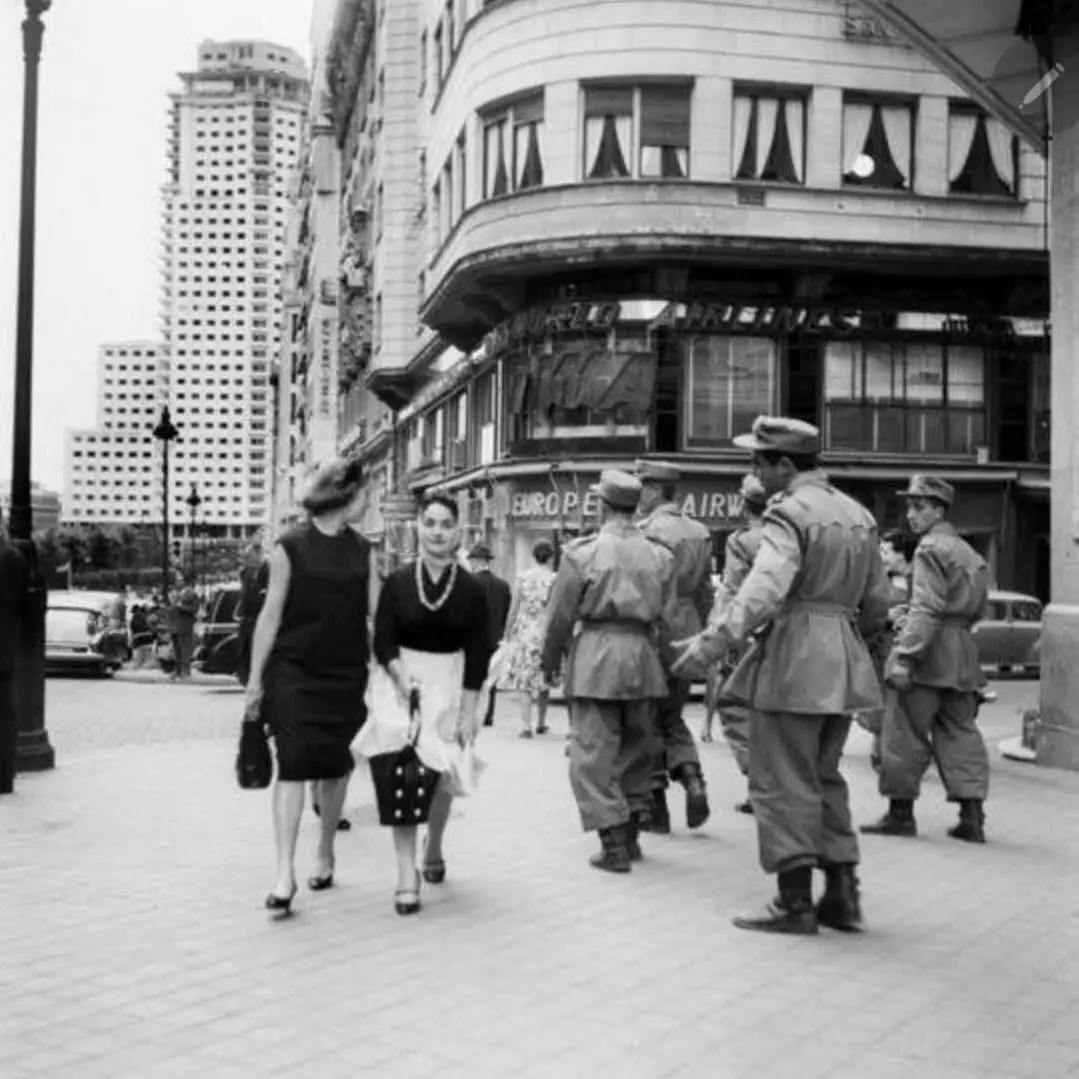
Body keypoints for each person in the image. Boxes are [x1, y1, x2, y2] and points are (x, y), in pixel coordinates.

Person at [673, 416, 890, 935]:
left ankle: (794, 902)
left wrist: (714, 641)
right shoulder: (857, 514)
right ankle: (842, 892)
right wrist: (866, 650)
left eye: (760, 464)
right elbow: (879, 599)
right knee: (824, 775)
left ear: (786, 465)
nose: (756, 474)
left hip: (796, 657)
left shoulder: (788, 513)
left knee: (782, 779)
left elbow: (765, 587)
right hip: (844, 656)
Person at [243, 457, 376, 917]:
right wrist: (255, 683)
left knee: (337, 768)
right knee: (294, 765)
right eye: (365, 493)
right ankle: (284, 873)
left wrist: (393, 669)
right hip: (294, 674)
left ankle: (325, 850)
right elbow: (270, 618)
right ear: (344, 494)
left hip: (345, 675)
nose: (369, 501)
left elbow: (378, 616)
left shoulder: (363, 551)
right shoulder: (290, 546)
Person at [356, 493, 490, 915]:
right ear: (417, 526)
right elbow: (383, 640)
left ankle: (435, 844)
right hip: (400, 683)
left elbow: (478, 654)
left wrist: (468, 713)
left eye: (446, 524)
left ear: (458, 530)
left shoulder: (472, 589)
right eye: (429, 523)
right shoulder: (397, 582)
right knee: (399, 771)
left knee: (442, 773)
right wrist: (400, 678)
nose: (437, 532)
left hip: (449, 685)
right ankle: (405, 873)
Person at [542, 470, 675, 873]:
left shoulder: (581, 553)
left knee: (592, 755)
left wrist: (549, 661)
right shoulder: (660, 556)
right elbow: (668, 619)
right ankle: (631, 835)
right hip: (643, 659)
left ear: (602, 505)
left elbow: (559, 616)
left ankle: (613, 844)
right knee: (636, 750)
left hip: (596, 659)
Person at [861, 476, 992, 844]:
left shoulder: (929, 549)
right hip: (962, 651)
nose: (911, 514)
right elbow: (976, 609)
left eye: (920, 507)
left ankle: (900, 814)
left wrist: (904, 655)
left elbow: (927, 608)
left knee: (903, 732)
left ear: (939, 510)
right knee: (960, 732)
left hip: (928, 652)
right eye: (910, 506)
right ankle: (972, 817)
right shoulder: (969, 552)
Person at [635, 461, 714, 833]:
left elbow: (644, 587)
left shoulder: (646, 531)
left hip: (654, 632)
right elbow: (705, 593)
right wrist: (702, 633)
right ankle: (693, 777)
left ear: (653, 491)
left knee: (648, 718)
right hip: (687, 633)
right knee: (673, 715)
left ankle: (656, 807)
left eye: (641, 490)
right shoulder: (700, 532)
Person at [703, 473, 769, 814]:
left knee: (734, 705)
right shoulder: (793, 534)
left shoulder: (742, 541)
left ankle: (760, 786)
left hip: (746, 634)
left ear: (745, 505)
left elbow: (730, 592)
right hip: (789, 633)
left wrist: (717, 633)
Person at [861, 530, 919, 773]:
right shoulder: (878, 580)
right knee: (884, 704)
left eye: (885, 551)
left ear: (901, 554)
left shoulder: (920, 579)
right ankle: (880, 753)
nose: (880, 556)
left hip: (912, 650)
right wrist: (887, 619)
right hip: (882, 649)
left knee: (908, 706)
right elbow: (866, 613)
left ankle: (903, 754)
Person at [498, 538, 558, 738]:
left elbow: (514, 608)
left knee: (525, 680)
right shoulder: (554, 579)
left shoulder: (522, 578)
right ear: (550, 557)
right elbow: (556, 608)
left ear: (533, 556)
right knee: (543, 679)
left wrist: (507, 632)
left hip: (525, 632)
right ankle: (541, 722)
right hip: (545, 632)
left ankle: (526, 726)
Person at [467, 542, 512, 728]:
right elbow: (506, 613)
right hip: (495, 638)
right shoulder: (502, 585)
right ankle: (488, 715)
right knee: (491, 678)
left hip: (473, 638)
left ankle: (473, 712)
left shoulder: (468, 583)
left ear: (476, 561)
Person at [0, 511, 28, 795]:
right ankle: (4, 776)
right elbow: (25, 605)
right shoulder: (14, 558)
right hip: (5, 646)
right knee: (4, 711)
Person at [236, 541, 269, 687]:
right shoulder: (247, 573)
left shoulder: (265, 570)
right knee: (246, 653)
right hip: (249, 619)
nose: (245, 559)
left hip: (258, 619)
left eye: (248, 555)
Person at [167, 581, 199, 680]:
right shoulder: (175, 598)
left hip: (184, 628)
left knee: (184, 651)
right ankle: (178, 670)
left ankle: (184, 671)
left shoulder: (189, 594)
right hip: (175, 629)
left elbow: (193, 609)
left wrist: (179, 605)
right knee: (177, 651)